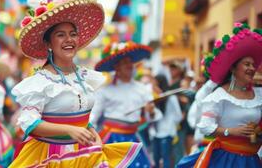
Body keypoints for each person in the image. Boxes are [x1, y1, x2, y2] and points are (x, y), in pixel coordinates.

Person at [10, 0, 142, 167]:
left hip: (85, 153)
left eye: (73, 34)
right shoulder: (40, 82)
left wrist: (92, 131)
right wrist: (69, 130)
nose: (69, 39)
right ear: (49, 43)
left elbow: (81, 114)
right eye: (60, 35)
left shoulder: (85, 77)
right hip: (50, 156)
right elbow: (29, 123)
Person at [177, 23, 262, 167]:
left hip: (251, 160)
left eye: (253, 65)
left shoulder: (258, 94)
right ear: (233, 68)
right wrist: (232, 131)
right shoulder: (219, 96)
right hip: (227, 159)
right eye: (247, 64)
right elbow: (205, 126)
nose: (252, 68)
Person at [91, 41, 162, 168]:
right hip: (111, 138)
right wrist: (89, 137)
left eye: (130, 62)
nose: (129, 65)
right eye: (124, 63)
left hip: (133, 136)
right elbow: (93, 117)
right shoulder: (105, 90)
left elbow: (154, 116)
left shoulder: (143, 89)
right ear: (116, 67)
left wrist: (150, 111)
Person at [150, 74, 182, 168]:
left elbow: (178, 116)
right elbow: (151, 117)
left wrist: (171, 124)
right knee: (155, 158)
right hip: (155, 133)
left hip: (168, 132)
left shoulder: (171, 98)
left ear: (160, 85)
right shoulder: (153, 98)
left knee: (166, 157)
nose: (153, 87)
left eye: (155, 85)